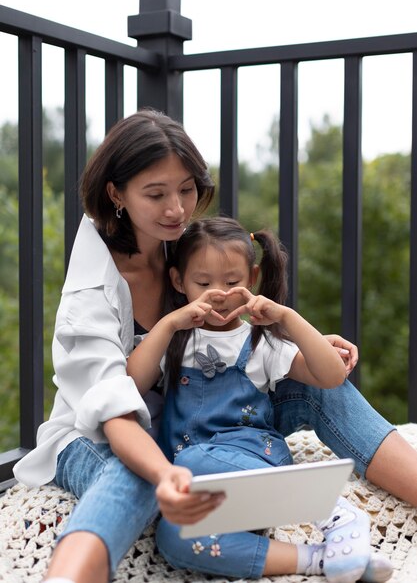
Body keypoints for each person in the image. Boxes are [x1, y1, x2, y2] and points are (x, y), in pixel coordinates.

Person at [10, 107, 417, 583]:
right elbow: (113, 410)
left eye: (186, 189)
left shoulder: (180, 247)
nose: (177, 209)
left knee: (316, 385)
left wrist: (300, 340)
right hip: (102, 432)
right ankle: (68, 576)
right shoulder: (91, 293)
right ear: (116, 193)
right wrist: (165, 473)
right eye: (156, 194)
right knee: (133, 475)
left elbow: (233, 336)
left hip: (205, 419)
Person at [127, 216, 393, 582]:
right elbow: (131, 382)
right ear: (178, 280)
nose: (218, 293)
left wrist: (285, 316)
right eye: (203, 283)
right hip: (203, 487)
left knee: (189, 459)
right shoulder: (173, 339)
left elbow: (331, 376)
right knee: (173, 540)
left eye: (232, 282)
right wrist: (171, 322)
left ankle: (330, 509)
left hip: (256, 462)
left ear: (251, 279)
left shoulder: (260, 343)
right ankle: (320, 559)